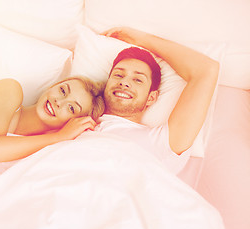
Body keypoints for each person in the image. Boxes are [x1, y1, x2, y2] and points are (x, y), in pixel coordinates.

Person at [94, 27, 219, 174]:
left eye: (138, 80)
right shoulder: (75, 117)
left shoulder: (163, 143)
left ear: (151, 98)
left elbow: (206, 70)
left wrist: (141, 39)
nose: (124, 83)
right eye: (118, 75)